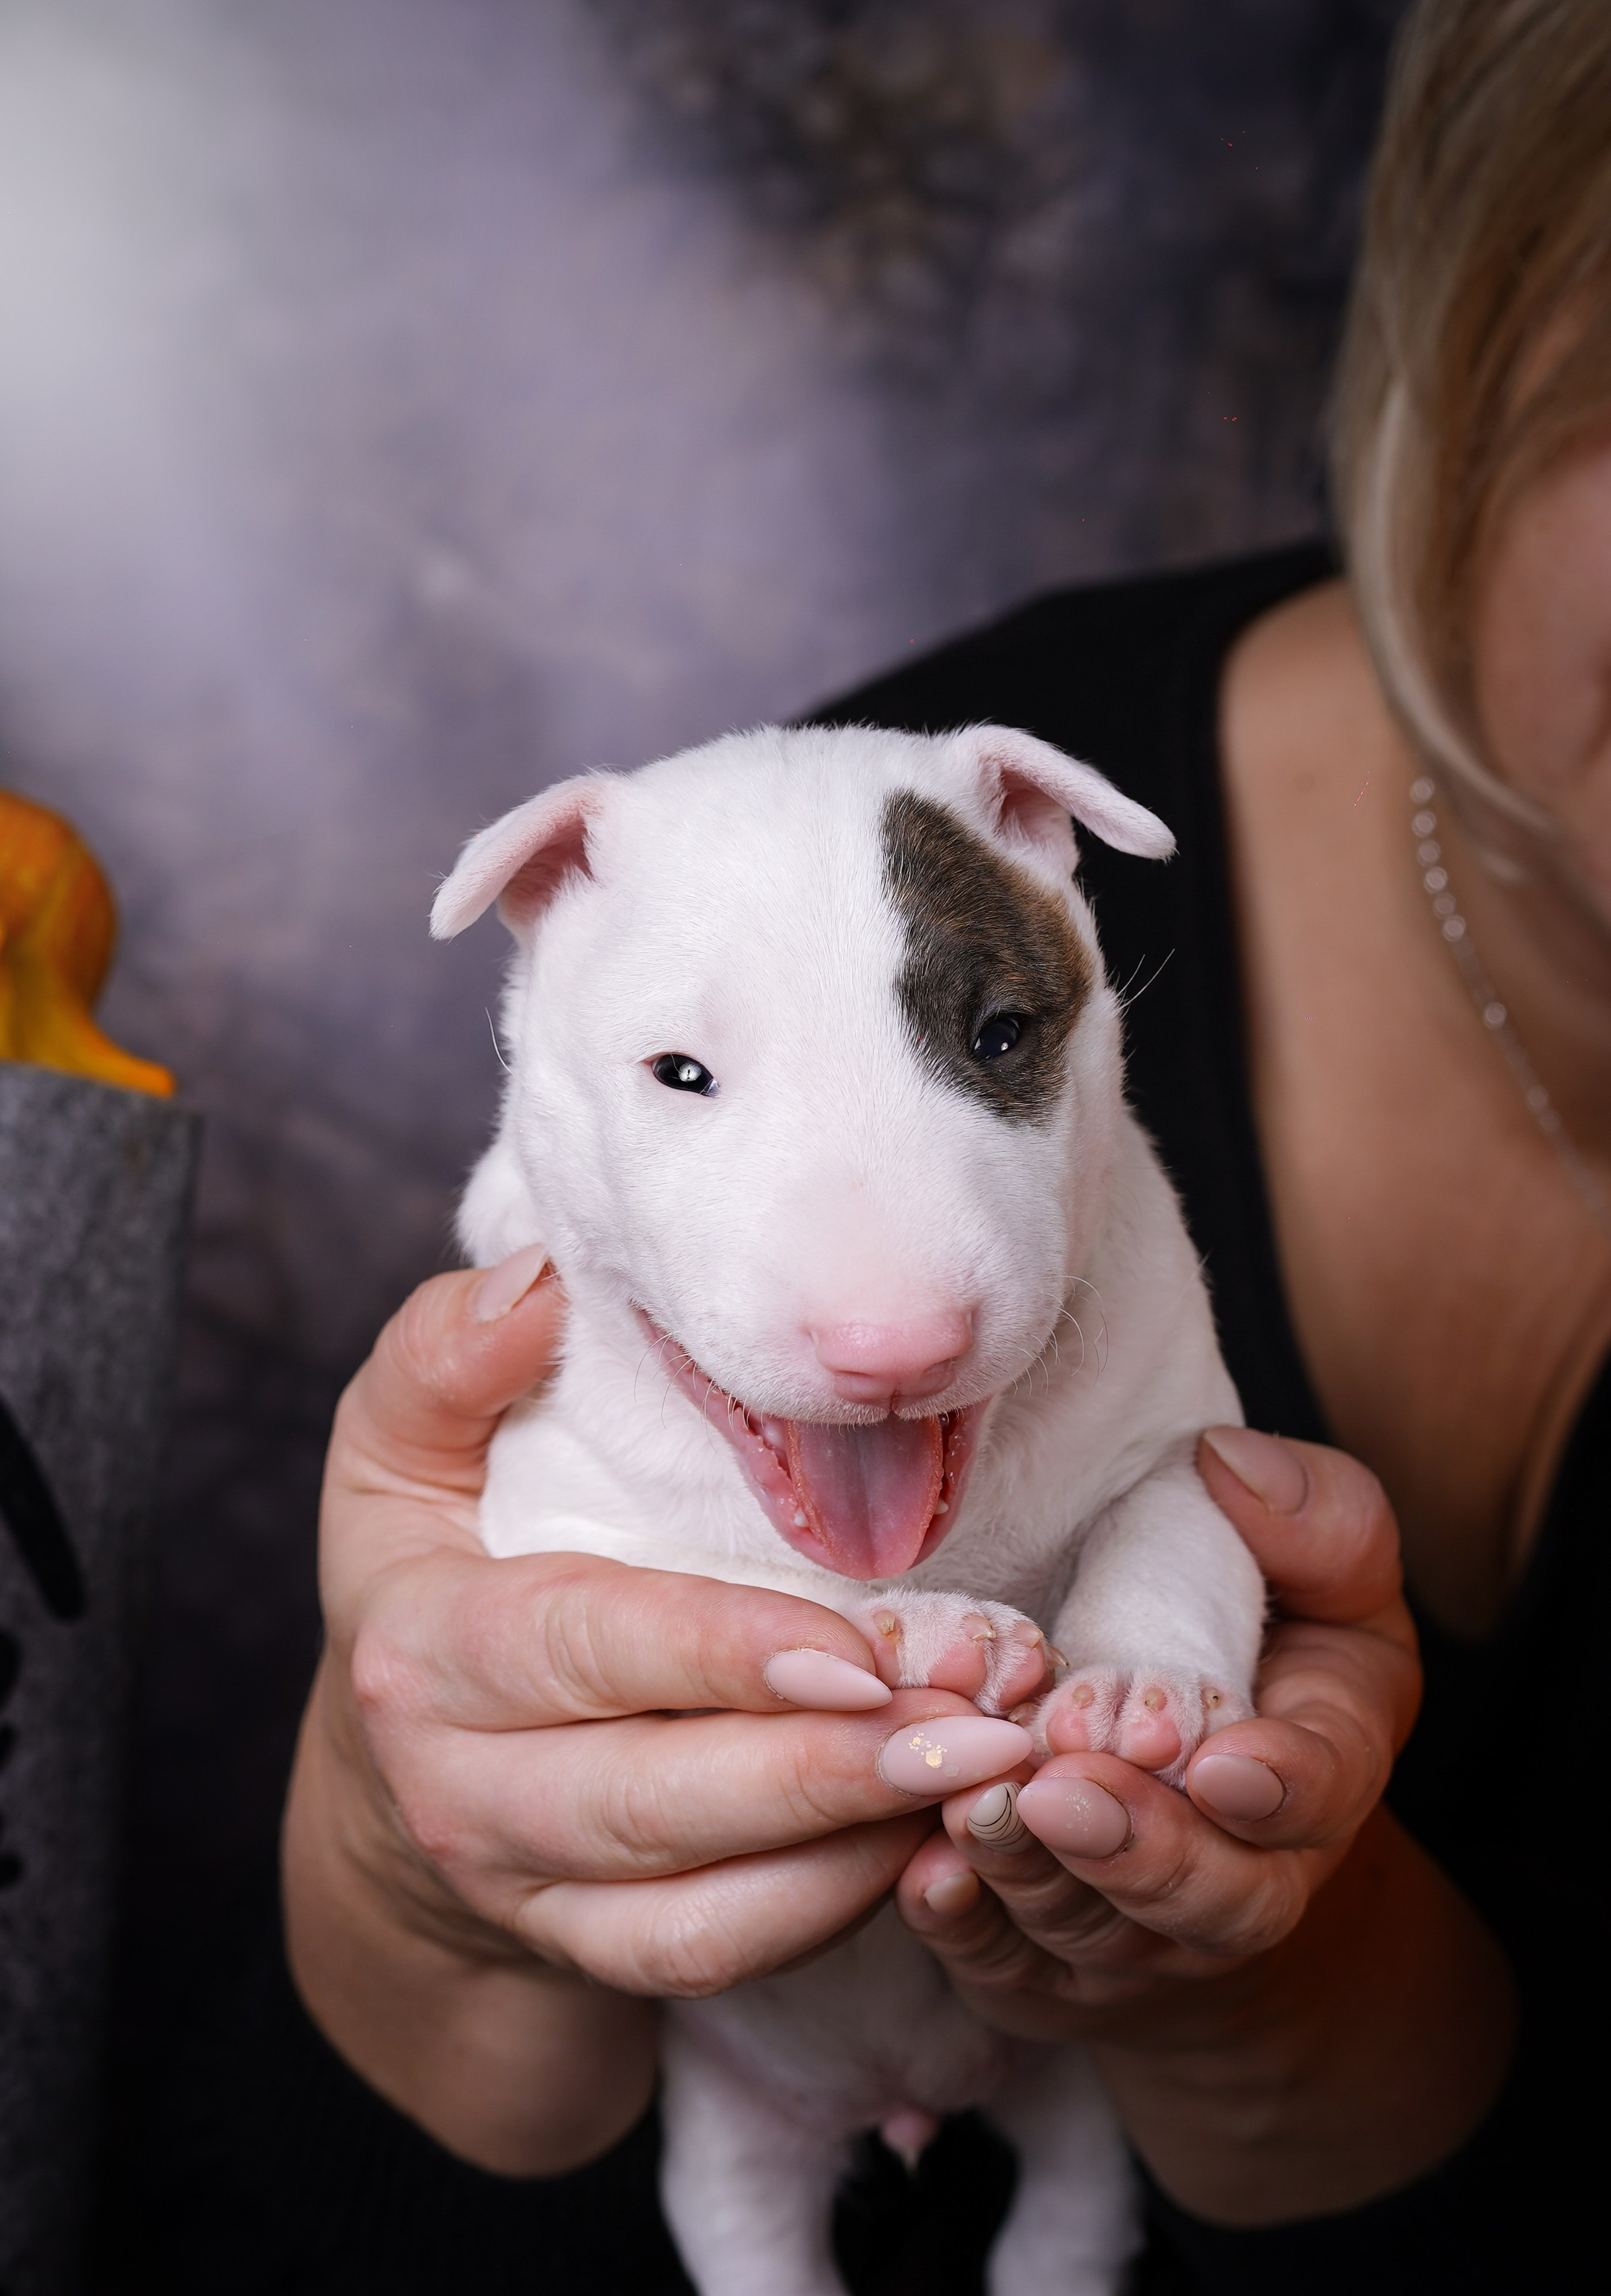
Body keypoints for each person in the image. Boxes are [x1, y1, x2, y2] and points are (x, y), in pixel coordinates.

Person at [143, 2, 1610, 2287]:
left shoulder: (984, 873)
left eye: (998, 1043)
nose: (889, 1310)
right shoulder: (837, 848)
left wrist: (1295, 2009)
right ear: (1484, 297)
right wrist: (428, 1905)